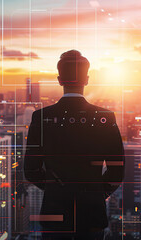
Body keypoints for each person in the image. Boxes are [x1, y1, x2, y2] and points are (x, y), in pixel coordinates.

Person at [24, 50, 125, 240]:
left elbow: (31, 170)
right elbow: (117, 170)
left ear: (59, 79)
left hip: (55, 214)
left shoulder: (41, 118)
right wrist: (95, 191)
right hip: (92, 214)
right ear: (86, 80)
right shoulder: (104, 117)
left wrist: (58, 188)